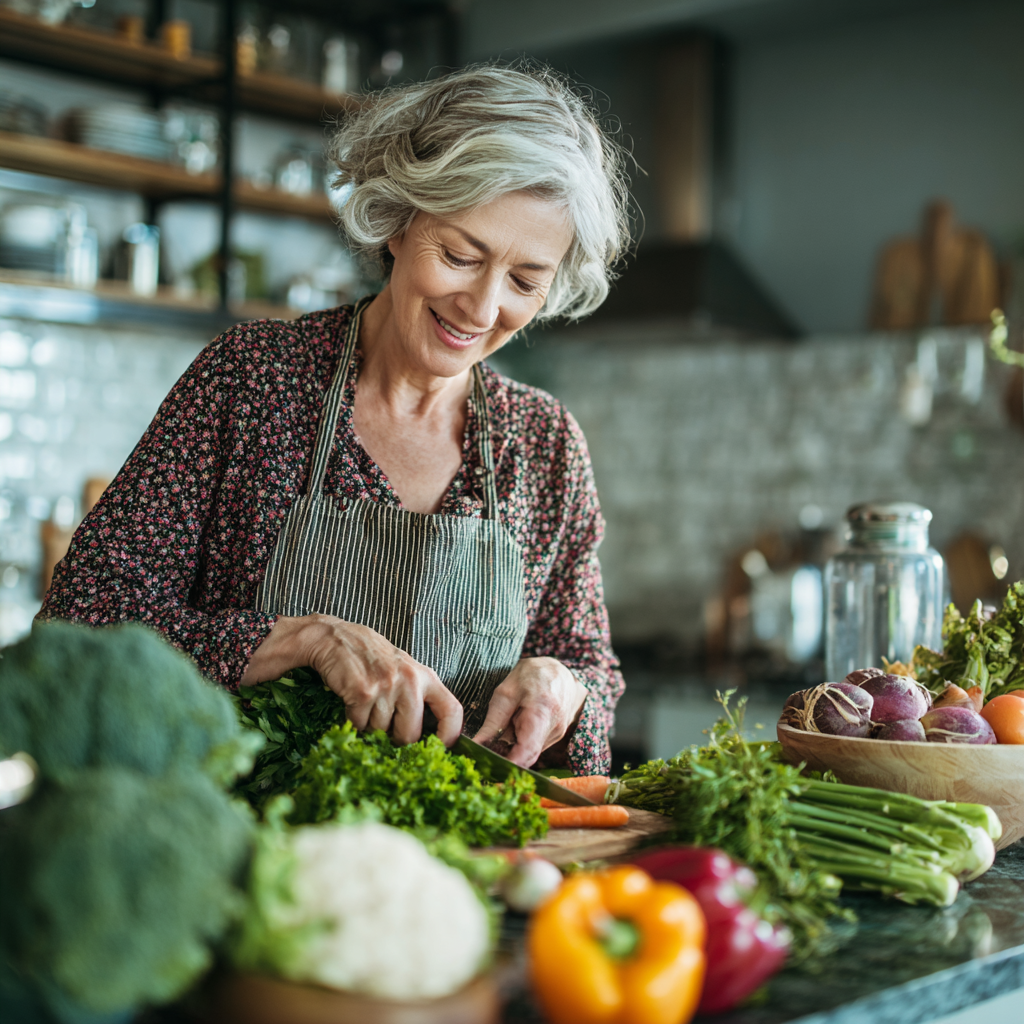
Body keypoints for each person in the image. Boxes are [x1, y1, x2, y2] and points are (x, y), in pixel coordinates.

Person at [40, 65, 632, 774]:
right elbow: (81, 623)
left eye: (525, 281)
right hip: (244, 852)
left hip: (472, 867)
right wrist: (303, 641)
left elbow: (589, 667)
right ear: (396, 221)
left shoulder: (545, 445)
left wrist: (564, 687)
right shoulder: (254, 380)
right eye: (459, 255)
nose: (481, 308)